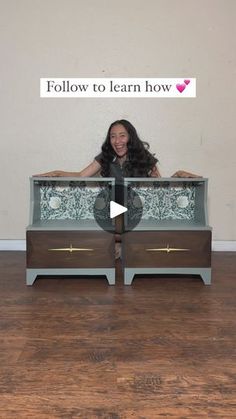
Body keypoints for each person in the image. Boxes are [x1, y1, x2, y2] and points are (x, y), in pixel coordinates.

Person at [35, 119, 201, 258]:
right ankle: (123, 244)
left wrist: (178, 175)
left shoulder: (144, 157)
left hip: (139, 209)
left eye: (122, 136)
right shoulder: (105, 157)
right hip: (115, 211)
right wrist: (56, 172)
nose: (117, 141)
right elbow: (80, 175)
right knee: (101, 211)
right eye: (113, 137)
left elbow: (159, 189)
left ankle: (124, 244)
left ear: (130, 137)